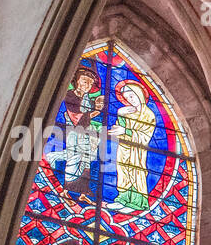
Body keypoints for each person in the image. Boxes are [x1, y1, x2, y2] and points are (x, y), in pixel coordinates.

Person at [57, 64, 104, 198]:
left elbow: (87, 117)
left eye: (90, 83)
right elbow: (76, 116)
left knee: (86, 159)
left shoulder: (88, 99)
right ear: (77, 81)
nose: (87, 85)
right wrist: (95, 112)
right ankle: (66, 191)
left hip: (87, 133)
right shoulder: (70, 95)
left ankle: (83, 192)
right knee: (74, 158)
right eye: (85, 81)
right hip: (74, 132)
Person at [107, 80, 154, 212]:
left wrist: (125, 131)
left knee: (136, 172)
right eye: (127, 98)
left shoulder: (148, 114)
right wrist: (120, 114)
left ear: (139, 94)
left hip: (137, 151)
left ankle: (138, 203)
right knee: (123, 172)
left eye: (132, 96)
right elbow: (120, 129)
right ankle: (122, 199)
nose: (130, 100)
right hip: (124, 148)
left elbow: (145, 136)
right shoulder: (128, 112)